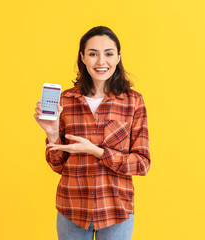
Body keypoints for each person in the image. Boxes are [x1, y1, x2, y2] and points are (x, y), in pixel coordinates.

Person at [34, 26, 151, 240]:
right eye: (93, 54)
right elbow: (58, 165)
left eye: (108, 53)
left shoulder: (133, 101)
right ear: (83, 57)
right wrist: (52, 135)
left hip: (116, 210)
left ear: (118, 57)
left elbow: (142, 163)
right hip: (72, 209)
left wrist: (96, 151)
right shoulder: (65, 100)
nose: (101, 62)